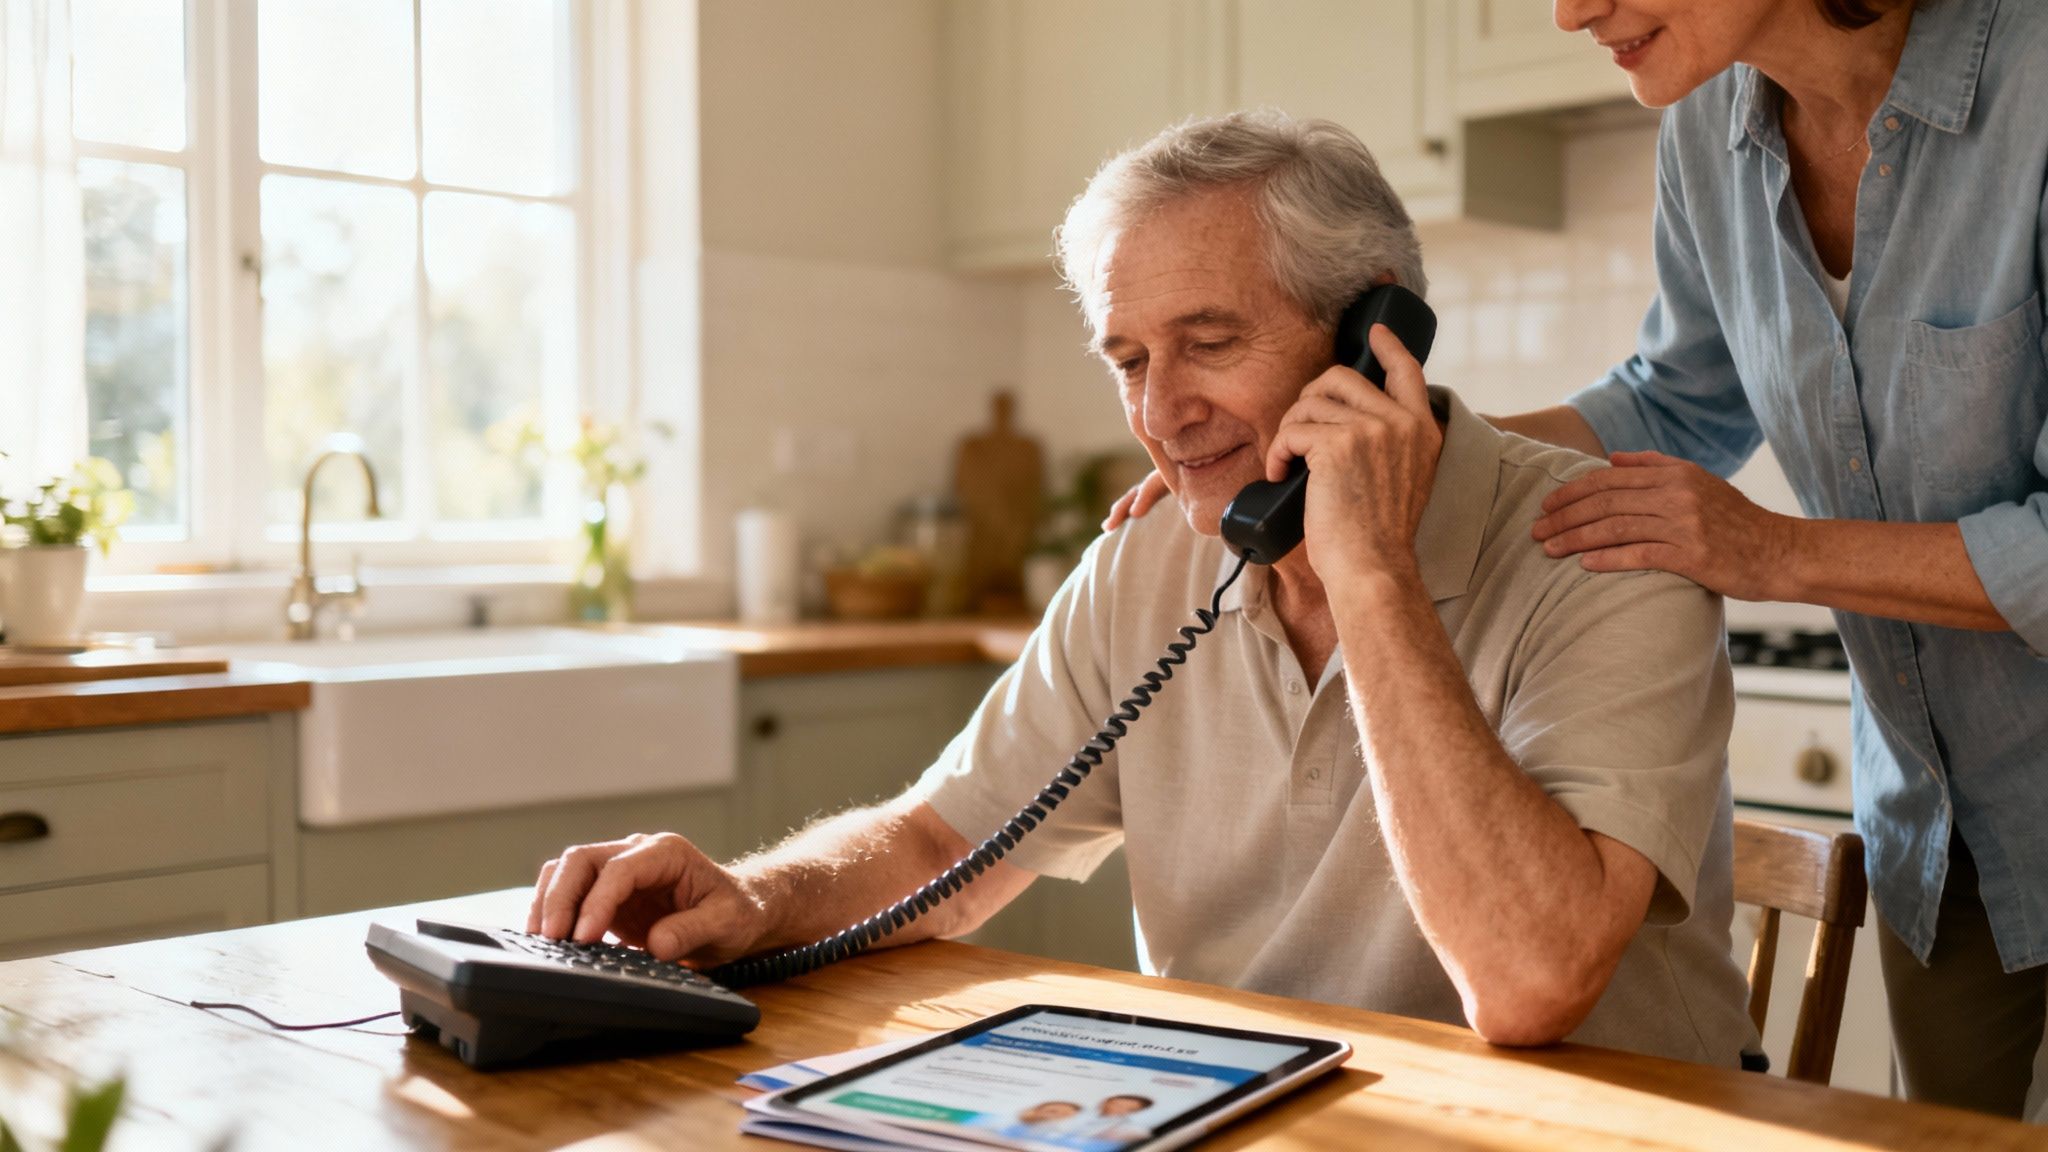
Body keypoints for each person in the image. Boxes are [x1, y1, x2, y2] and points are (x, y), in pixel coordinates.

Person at [529, 110, 1758, 1066]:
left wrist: (1369, 571)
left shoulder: (1607, 548)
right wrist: (753, 899)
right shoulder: (1150, 557)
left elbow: (1529, 983)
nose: (1161, 414)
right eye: (1129, 359)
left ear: (1375, 339)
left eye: (1209, 343)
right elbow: (941, 837)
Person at [1104, 0, 2048, 1119]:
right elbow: (1670, 402)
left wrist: (1772, 552)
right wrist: (1340, 448)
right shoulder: (1709, 134)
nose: (1567, 11)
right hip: (1941, 835)